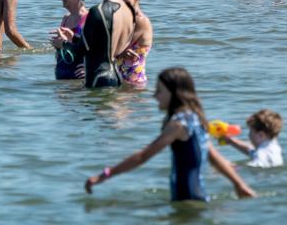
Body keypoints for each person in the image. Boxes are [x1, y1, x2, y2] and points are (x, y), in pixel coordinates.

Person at [85, 67, 255, 201]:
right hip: (197, 198)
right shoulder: (195, 118)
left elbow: (143, 156)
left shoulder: (178, 124)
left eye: (159, 91)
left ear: (175, 94)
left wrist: (105, 175)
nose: (154, 96)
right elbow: (214, 156)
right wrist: (239, 185)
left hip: (186, 200)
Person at [71, 0, 134, 88]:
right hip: (117, 76)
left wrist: (63, 43)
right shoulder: (129, 11)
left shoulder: (98, 11)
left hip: (98, 78)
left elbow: (80, 51)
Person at [49, 0, 89, 80]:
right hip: (62, 74)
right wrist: (57, 44)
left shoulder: (88, 19)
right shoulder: (66, 18)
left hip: (79, 76)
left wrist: (89, 68)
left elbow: (97, 49)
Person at [117, 0, 153, 87]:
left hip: (133, 84)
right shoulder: (124, 19)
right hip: (120, 81)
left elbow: (118, 48)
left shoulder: (141, 21)